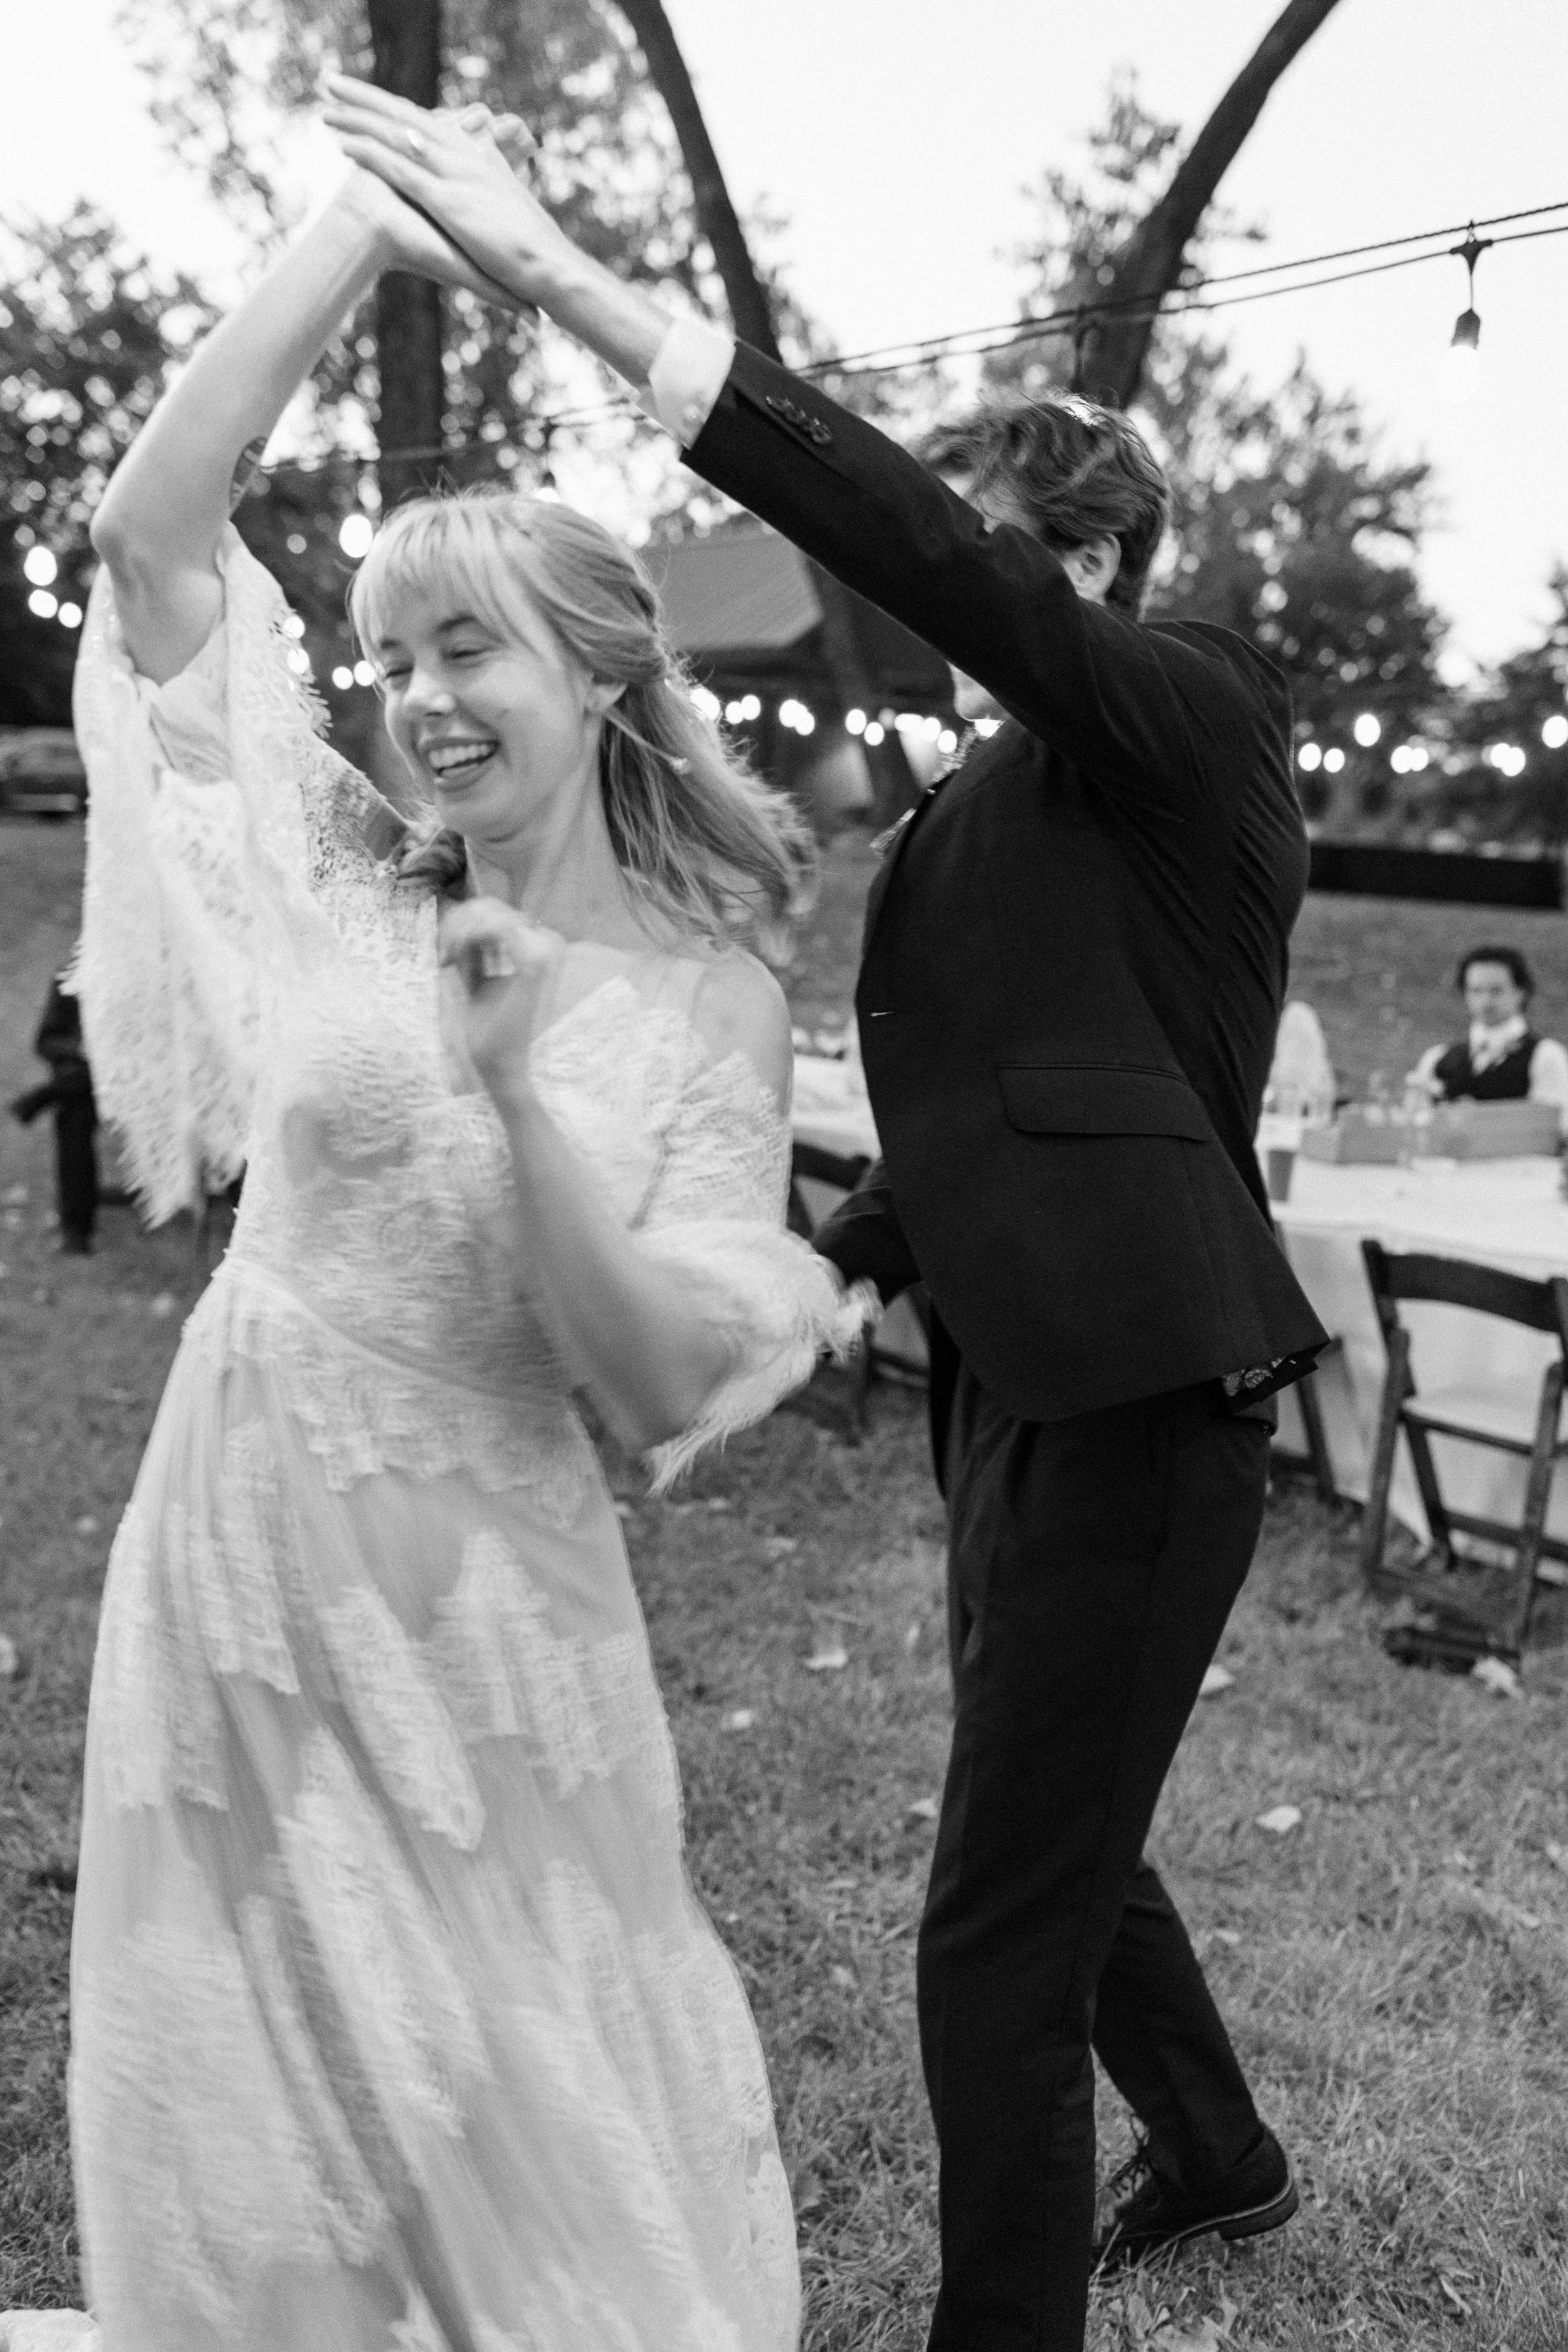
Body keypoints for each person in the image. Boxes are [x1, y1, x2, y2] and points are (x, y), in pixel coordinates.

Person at [320, 82, 1331, 2352]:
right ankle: (1228, 2149)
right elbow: (997, 1121)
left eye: (973, 553)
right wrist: (804, 1274)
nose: (925, 592)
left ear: (1077, 559)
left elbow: (953, 576)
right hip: (1019, 1382)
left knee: (989, 1934)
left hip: (1156, 1380)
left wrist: (580, 290)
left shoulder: (1185, 722)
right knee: (1049, 1812)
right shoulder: (972, 822)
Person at [33, 154, 874, 2352]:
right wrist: (367, 231)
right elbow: (148, 541)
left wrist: (513, 1098)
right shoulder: (337, 871)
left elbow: (663, 1385)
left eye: (465, 645)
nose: (413, 692)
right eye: (392, 652)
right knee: (255, 2117)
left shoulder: (706, 1003)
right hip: (240, 1561)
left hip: (495, 1634)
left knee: (537, 2112)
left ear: (602, 676)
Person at [1407, 944, 1568, 1129]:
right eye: (1476, 990)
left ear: (1520, 993)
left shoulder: (1546, 1056)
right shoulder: (1437, 1058)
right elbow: (1414, 1126)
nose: (1485, 1002)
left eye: (1496, 991)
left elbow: (1552, 1127)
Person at [9, 971, 99, 1252]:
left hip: (128, 1079)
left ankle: (41, 1097)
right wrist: (80, 1050)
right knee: (76, 1112)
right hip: (86, 1082)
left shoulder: (133, 976)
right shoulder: (70, 978)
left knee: (80, 1091)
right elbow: (45, 1041)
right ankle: (76, 1231)